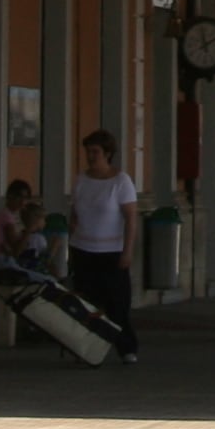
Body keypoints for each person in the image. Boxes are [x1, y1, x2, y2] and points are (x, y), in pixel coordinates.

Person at [66, 128, 140, 362]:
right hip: (83, 249)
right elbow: (75, 211)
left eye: (95, 152)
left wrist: (127, 250)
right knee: (85, 302)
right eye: (88, 152)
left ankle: (126, 347)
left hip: (111, 251)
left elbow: (130, 218)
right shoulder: (81, 179)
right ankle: (87, 346)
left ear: (107, 154)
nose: (90, 156)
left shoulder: (121, 181)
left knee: (117, 302)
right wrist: (71, 236)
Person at [0, 178, 47, 275]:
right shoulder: (6, 217)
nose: (23, 202)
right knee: (46, 281)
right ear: (10, 196)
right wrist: (29, 228)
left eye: (26, 198)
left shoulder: (6, 215)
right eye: (19, 197)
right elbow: (16, 252)